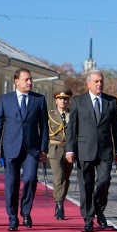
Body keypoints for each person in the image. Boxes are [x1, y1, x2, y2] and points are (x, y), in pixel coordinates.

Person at [0, 68, 49, 232]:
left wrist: (44, 149)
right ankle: (12, 218)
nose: (29, 82)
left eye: (30, 79)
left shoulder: (39, 100)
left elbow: (44, 126)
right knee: (11, 184)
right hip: (11, 147)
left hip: (32, 148)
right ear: (16, 81)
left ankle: (26, 211)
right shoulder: (5, 100)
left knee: (30, 179)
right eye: (26, 80)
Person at [65, 69, 117, 232]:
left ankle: (98, 208)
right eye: (96, 81)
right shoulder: (78, 101)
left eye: (101, 81)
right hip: (84, 150)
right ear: (88, 83)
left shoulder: (111, 101)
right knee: (86, 185)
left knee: (103, 181)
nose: (99, 84)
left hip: (105, 150)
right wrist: (70, 150)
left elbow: (116, 128)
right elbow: (72, 129)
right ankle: (88, 219)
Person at [48, 89, 74, 220]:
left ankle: (60, 200)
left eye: (65, 99)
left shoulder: (73, 115)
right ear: (56, 100)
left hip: (69, 149)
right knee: (59, 177)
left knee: (66, 178)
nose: (63, 101)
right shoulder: (50, 115)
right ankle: (59, 205)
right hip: (55, 148)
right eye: (60, 99)